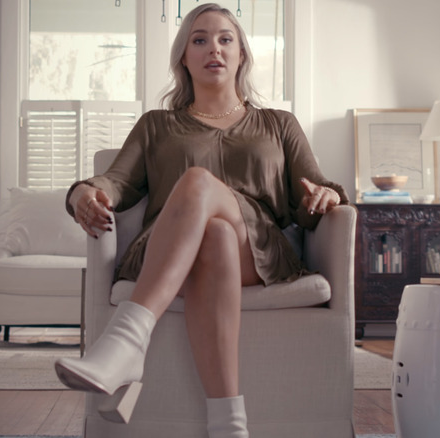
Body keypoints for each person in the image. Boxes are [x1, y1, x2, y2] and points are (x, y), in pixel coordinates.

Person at [54, 3, 348, 437]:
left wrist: (326, 196)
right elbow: (114, 183)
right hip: (171, 250)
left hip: (258, 250)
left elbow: (313, 194)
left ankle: (126, 343)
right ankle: (229, 424)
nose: (215, 48)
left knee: (197, 184)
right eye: (200, 39)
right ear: (184, 58)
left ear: (242, 54)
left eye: (226, 39)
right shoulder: (157, 125)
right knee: (213, 233)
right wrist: (81, 192)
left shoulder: (279, 124)